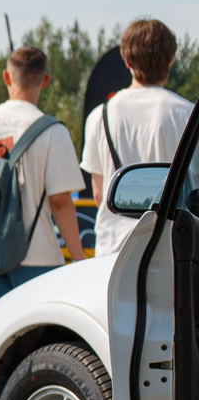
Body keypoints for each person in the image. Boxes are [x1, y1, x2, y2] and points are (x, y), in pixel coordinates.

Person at [0, 44, 85, 314]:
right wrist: (79, 260)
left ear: (6, 77)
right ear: (45, 81)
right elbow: (60, 202)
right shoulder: (53, 132)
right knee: (39, 342)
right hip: (38, 255)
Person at [82, 19, 192, 255]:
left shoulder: (100, 116)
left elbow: (100, 193)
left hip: (114, 247)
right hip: (174, 247)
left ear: (126, 60)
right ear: (171, 59)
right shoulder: (187, 114)